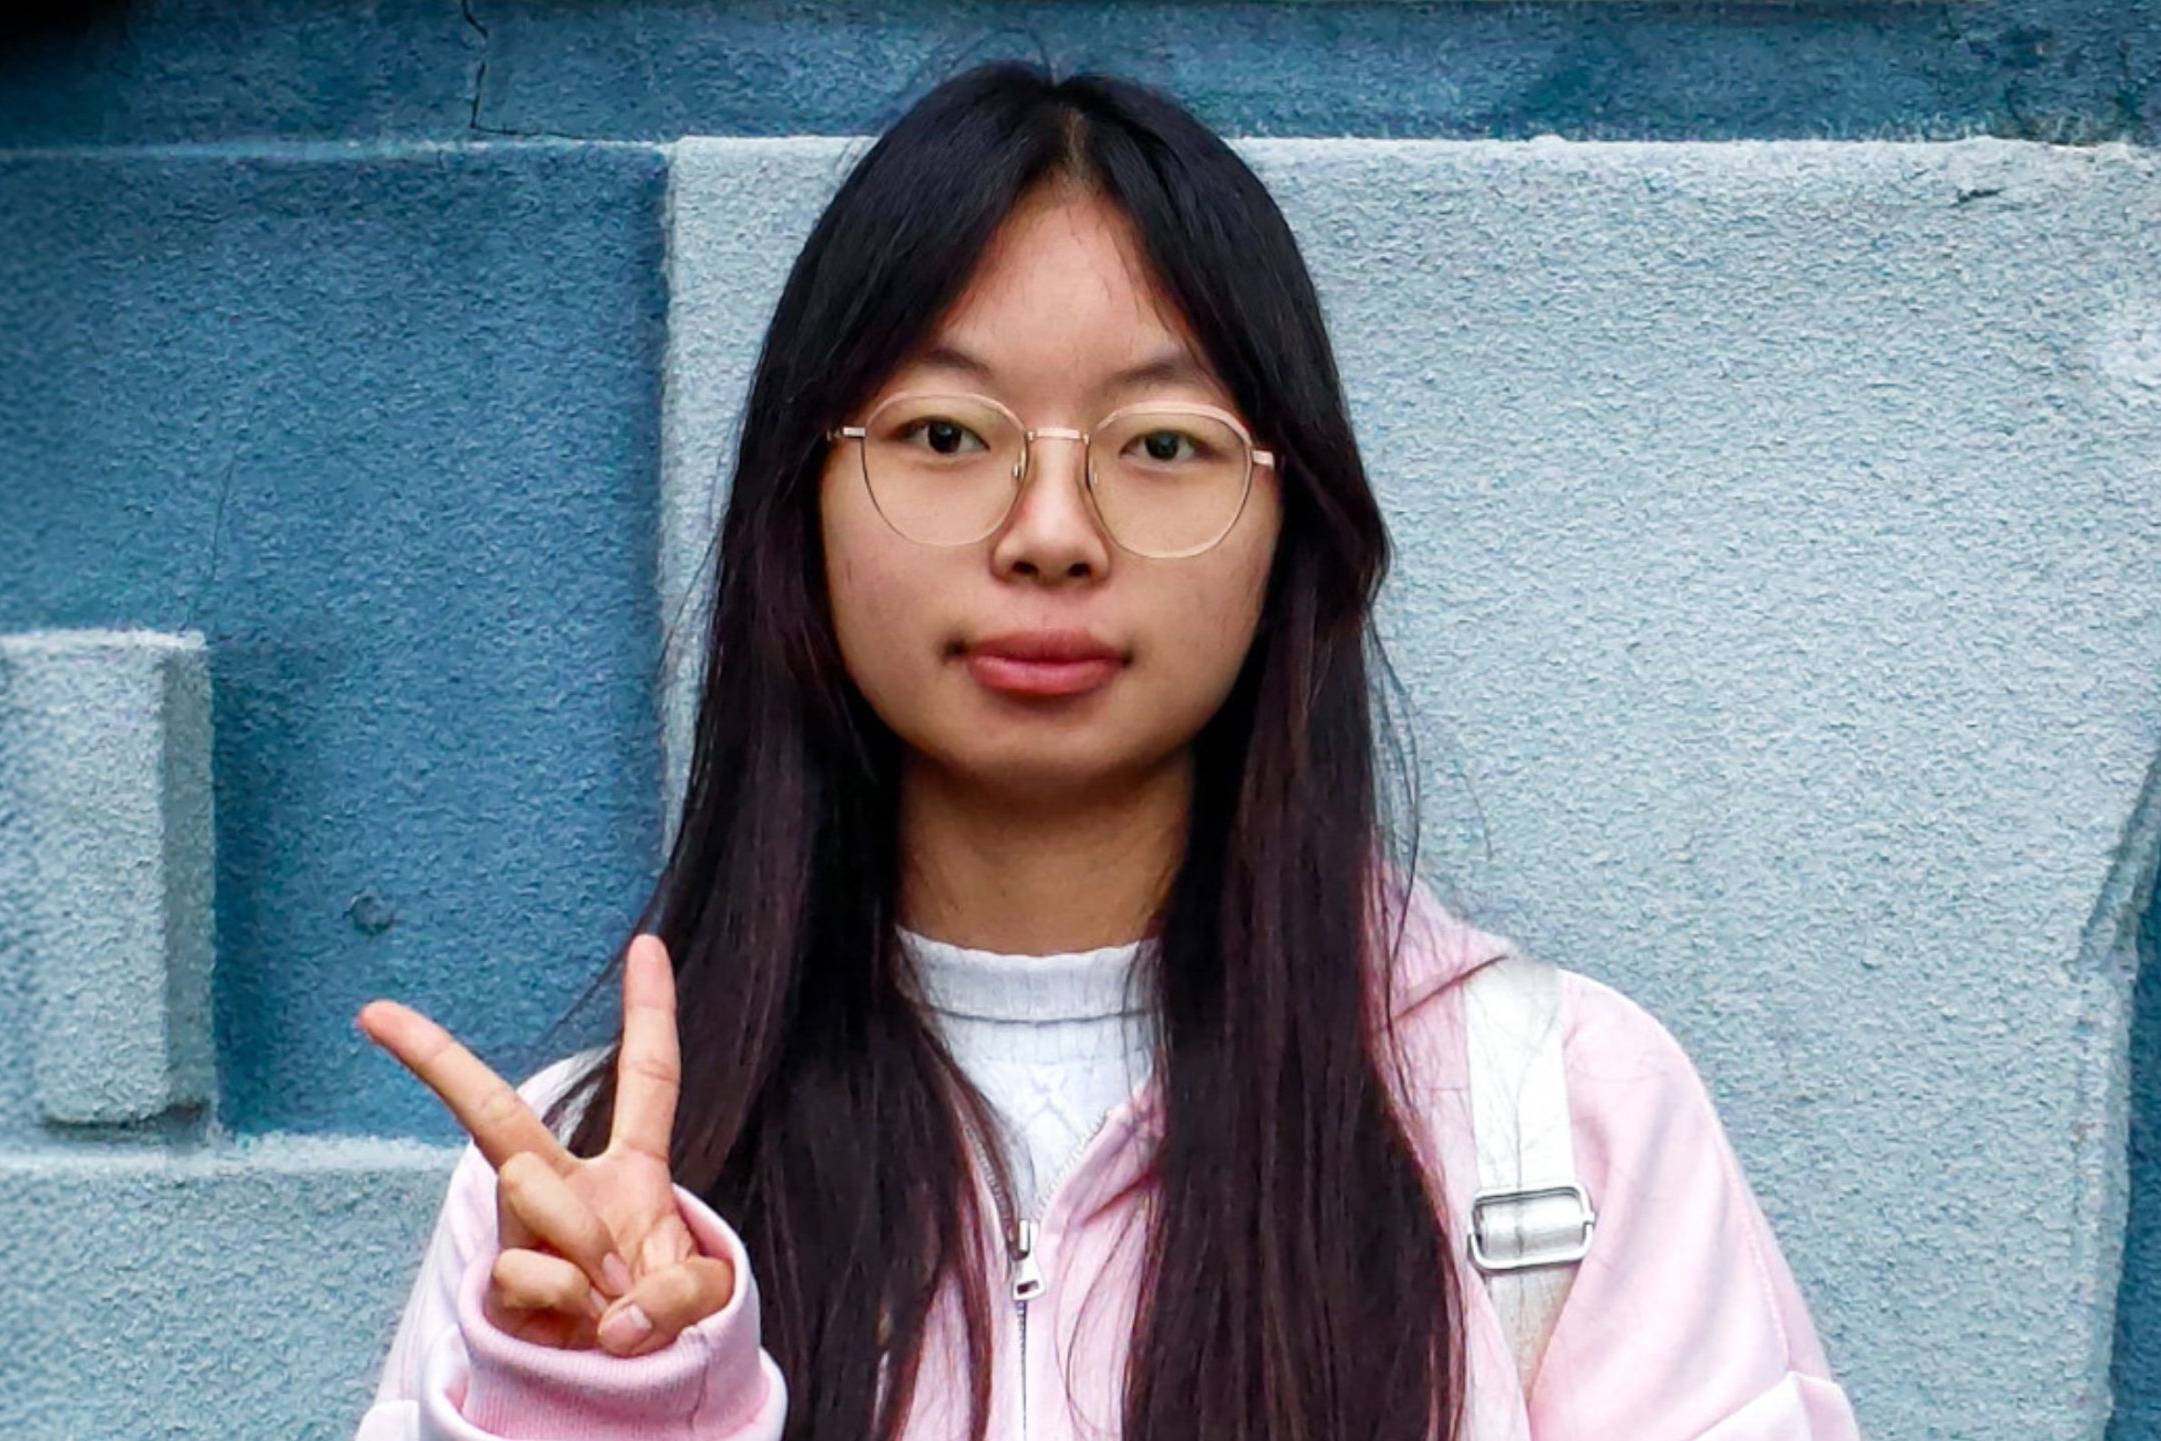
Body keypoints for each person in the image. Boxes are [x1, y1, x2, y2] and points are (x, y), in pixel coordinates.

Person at [351, 60, 1861, 1441]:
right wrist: (614, 1397)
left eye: (1161, 445)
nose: (1052, 535)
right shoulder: (574, 1189)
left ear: (1295, 530)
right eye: (944, 435)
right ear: (797, 515)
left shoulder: (1562, 1119)